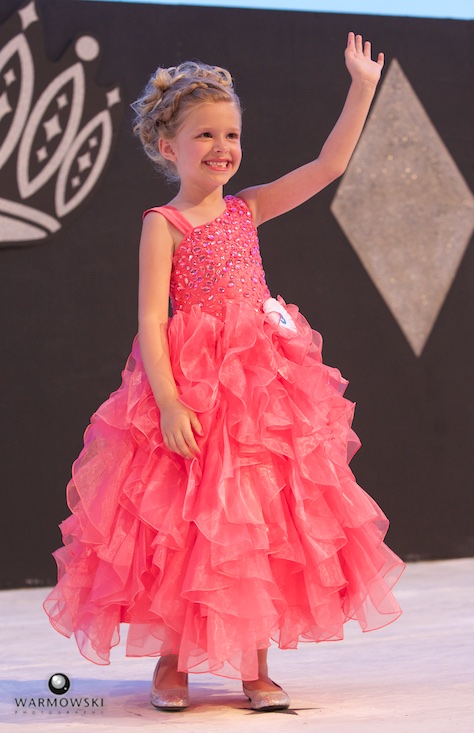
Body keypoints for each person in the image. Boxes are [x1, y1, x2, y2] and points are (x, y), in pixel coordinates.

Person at [44, 33, 405, 712]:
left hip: (260, 387)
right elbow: (152, 319)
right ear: (166, 146)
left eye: (230, 133)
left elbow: (329, 166)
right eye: (203, 134)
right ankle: (171, 663)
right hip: (194, 386)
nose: (221, 147)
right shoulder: (165, 223)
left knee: (255, 517)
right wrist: (171, 400)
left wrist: (361, 87)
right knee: (185, 520)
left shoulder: (250, 208)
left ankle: (255, 665)